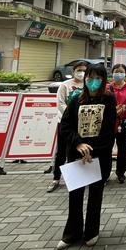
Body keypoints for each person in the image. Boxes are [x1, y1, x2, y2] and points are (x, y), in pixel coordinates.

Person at [57, 63, 116, 249]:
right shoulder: (76, 99)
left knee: (95, 195)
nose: (93, 81)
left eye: (98, 78)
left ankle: (92, 232)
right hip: (77, 155)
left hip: (99, 156)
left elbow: (109, 130)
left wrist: (92, 151)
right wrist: (78, 144)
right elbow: (65, 126)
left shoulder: (109, 100)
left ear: (103, 80)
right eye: (90, 77)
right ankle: (71, 234)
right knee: (75, 195)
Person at [47, 61, 88, 193]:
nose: (81, 73)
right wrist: (72, 115)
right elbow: (60, 103)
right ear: (73, 72)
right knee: (61, 151)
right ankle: (56, 178)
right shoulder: (65, 85)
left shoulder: (88, 85)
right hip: (65, 123)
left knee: (77, 150)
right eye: (79, 70)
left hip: (82, 124)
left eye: (84, 70)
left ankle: (77, 178)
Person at [109, 64, 126, 184]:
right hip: (109, 122)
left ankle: (121, 173)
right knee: (107, 148)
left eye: (121, 71)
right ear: (112, 73)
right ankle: (105, 173)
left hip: (124, 123)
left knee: (123, 149)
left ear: (125, 73)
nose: (119, 74)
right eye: (116, 71)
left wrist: (125, 108)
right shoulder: (107, 88)